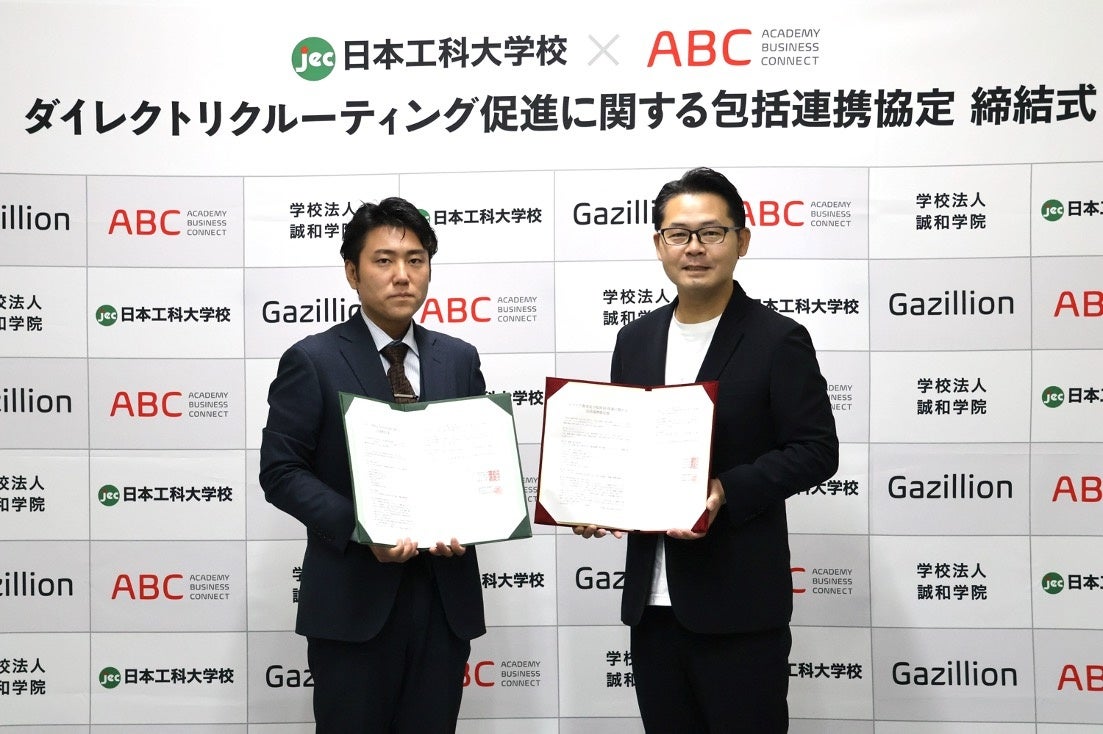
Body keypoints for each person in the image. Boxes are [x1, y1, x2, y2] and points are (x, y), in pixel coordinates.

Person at [575, 167, 839, 733]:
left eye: (711, 232)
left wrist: (725, 490)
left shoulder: (778, 339)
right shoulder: (635, 339)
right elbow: (626, 448)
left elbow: (817, 449)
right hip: (652, 608)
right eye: (679, 234)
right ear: (659, 245)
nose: (694, 247)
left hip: (739, 608)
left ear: (742, 241)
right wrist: (596, 498)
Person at [259, 197, 486, 733]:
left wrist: (474, 516)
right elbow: (281, 471)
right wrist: (364, 528)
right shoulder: (312, 359)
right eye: (384, 260)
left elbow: (477, 462)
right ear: (352, 272)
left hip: (443, 599)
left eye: (416, 260)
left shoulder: (459, 358)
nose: (402, 275)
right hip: (352, 602)